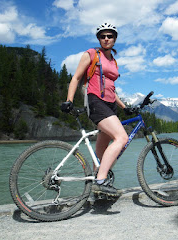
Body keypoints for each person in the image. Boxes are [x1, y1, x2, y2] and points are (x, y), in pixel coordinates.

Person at [61, 23, 132, 197]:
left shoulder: (113, 61)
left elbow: (111, 89)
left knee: (100, 154)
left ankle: (97, 188)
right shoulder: (91, 54)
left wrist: (124, 107)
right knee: (122, 138)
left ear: (115, 39)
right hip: (95, 102)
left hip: (110, 104)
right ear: (99, 39)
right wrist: (69, 100)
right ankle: (101, 180)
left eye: (110, 36)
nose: (106, 39)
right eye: (103, 36)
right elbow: (76, 77)